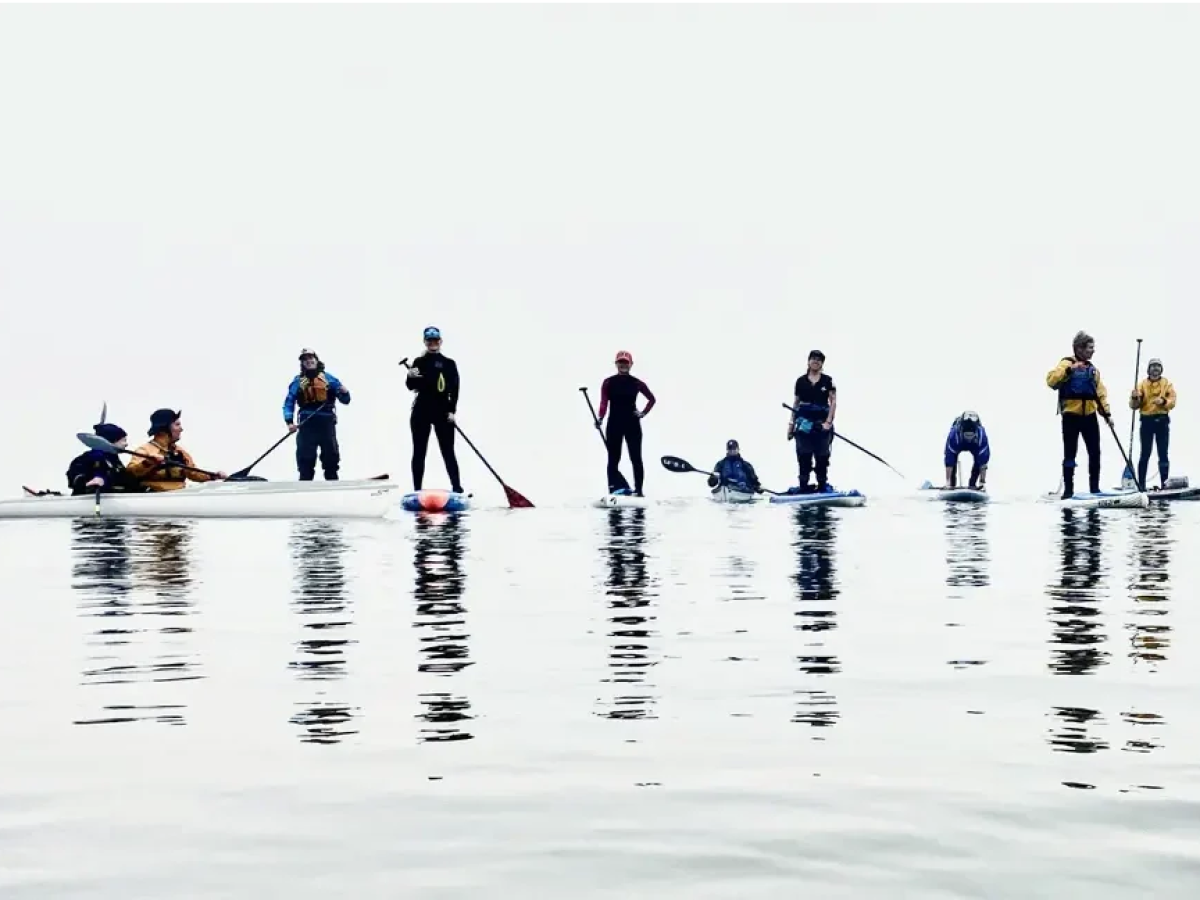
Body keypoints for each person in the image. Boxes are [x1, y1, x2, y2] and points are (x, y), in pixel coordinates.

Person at [1045, 330, 1110, 499]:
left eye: (1093, 348)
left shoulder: (1092, 370)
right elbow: (1051, 381)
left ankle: (1094, 488)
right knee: (1070, 453)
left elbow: (1100, 393)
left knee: (1095, 452)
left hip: (1089, 415)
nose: (1092, 351)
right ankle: (1068, 491)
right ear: (1079, 348)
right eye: (1089, 347)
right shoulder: (1066, 363)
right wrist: (1069, 370)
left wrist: (1107, 413)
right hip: (1071, 416)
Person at [406, 326, 464, 493]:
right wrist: (410, 376)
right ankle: (417, 490)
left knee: (448, 451)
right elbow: (411, 386)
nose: (433, 343)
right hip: (421, 410)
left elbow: (455, 389)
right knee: (419, 451)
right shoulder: (418, 362)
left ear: (440, 342)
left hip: (442, 412)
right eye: (429, 341)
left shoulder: (449, 363)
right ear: (425, 342)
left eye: (435, 340)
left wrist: (452, 411)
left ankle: (457, 488)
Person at [283, 348, 351, 480]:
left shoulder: (328, 378)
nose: (308, 361)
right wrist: (289, 422)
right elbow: (289, 402)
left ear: (316, 359)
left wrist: (345, 392)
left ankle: (332, 482)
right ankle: (305, 483)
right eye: (305, 359)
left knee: (330, 455)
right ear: (302, 363)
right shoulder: (298, 381)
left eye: (310, 358)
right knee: (305, 457)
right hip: (306, 422)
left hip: (326, 421)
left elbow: (345, 400)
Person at [596, 350, 656, 496]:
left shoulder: (637, 383)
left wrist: (643, 413)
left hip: (632, 425)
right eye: (620, 362)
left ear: (630, 365)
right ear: (616, 364)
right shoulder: (608, 382)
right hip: (614, 424)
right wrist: (600, 418)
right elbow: (604, 403)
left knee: (636, 458)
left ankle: (639, 491)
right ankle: (613, 489)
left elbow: (652, 399)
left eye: (626, 362)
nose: (623, 365)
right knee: (613, 459)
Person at [124, 409, 227, 491]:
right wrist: (148, 462)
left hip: (178, 494)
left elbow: (193, 473)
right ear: (165, 429)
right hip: (154, 495)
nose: (181, 429)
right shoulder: (144, 450)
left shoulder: (180, 452)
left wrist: (213, 476)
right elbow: (131, 473)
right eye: (177, 424)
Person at [787, 350, 836, 493]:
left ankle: (821, 485)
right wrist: (791, 425)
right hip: (804, 425)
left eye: (819, 359)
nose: (816, 361)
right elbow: (796, 403)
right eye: (813, 358)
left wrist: (828, 422)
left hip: (821, 425)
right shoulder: (800, 381)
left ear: (822, 363)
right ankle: (803, 486)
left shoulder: (828, 381)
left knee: (822, 456)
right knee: (804, 455)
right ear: (808, 361)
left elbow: (833, 403)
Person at [1129, 357, 1177, 490]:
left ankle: (1165, 484)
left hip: (1162, 421)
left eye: (1158, 366)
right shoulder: (1142, 384)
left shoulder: (1167, 384)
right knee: (1145, 453)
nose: (1155, 368)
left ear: (1161, 369)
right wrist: (1134, 397)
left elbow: (1173, 401)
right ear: (1148, 369)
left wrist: (1164, 401)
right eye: (1153, 366)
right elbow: (1134, 406)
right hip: (1146, 422)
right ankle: (1141, 485)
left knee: (1163, 453)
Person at [65, 422, 144, 495]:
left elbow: (127, 481)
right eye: (123, 440)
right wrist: (88, 483)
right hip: (90, 504)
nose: (126, 444)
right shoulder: (87, 458)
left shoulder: (115, 461)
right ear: (112, 440)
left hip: (115, 503)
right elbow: (75, 477)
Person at [942, 411, 990, 489]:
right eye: (967, 435)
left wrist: (982, 482)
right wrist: (947, 482)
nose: (969, 438)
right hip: (959, 443)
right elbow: (949, 462)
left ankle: (972, 484)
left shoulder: (981, 438)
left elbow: (983, 464)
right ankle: (951, 483)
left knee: (979, 461)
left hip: (975, 445)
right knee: (951, 462)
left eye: (971, 435)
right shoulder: (954, 436)